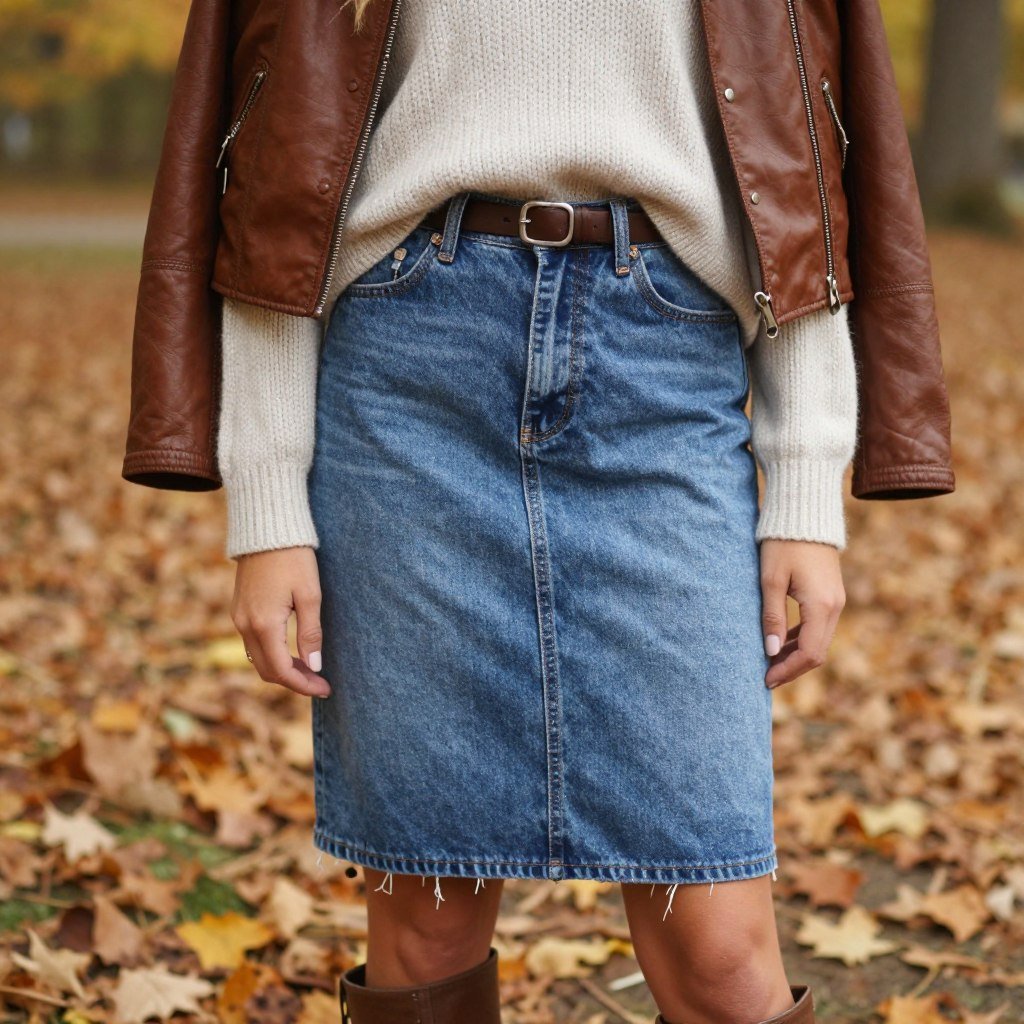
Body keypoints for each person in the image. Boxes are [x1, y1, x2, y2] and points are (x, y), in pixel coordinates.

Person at [121, 1, 955, 1022]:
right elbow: (281, 168)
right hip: (405, 367)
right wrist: (267, 504)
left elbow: (796, 159)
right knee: (426, 922)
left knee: (720, 949)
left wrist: (805, 489)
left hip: (664, 367)